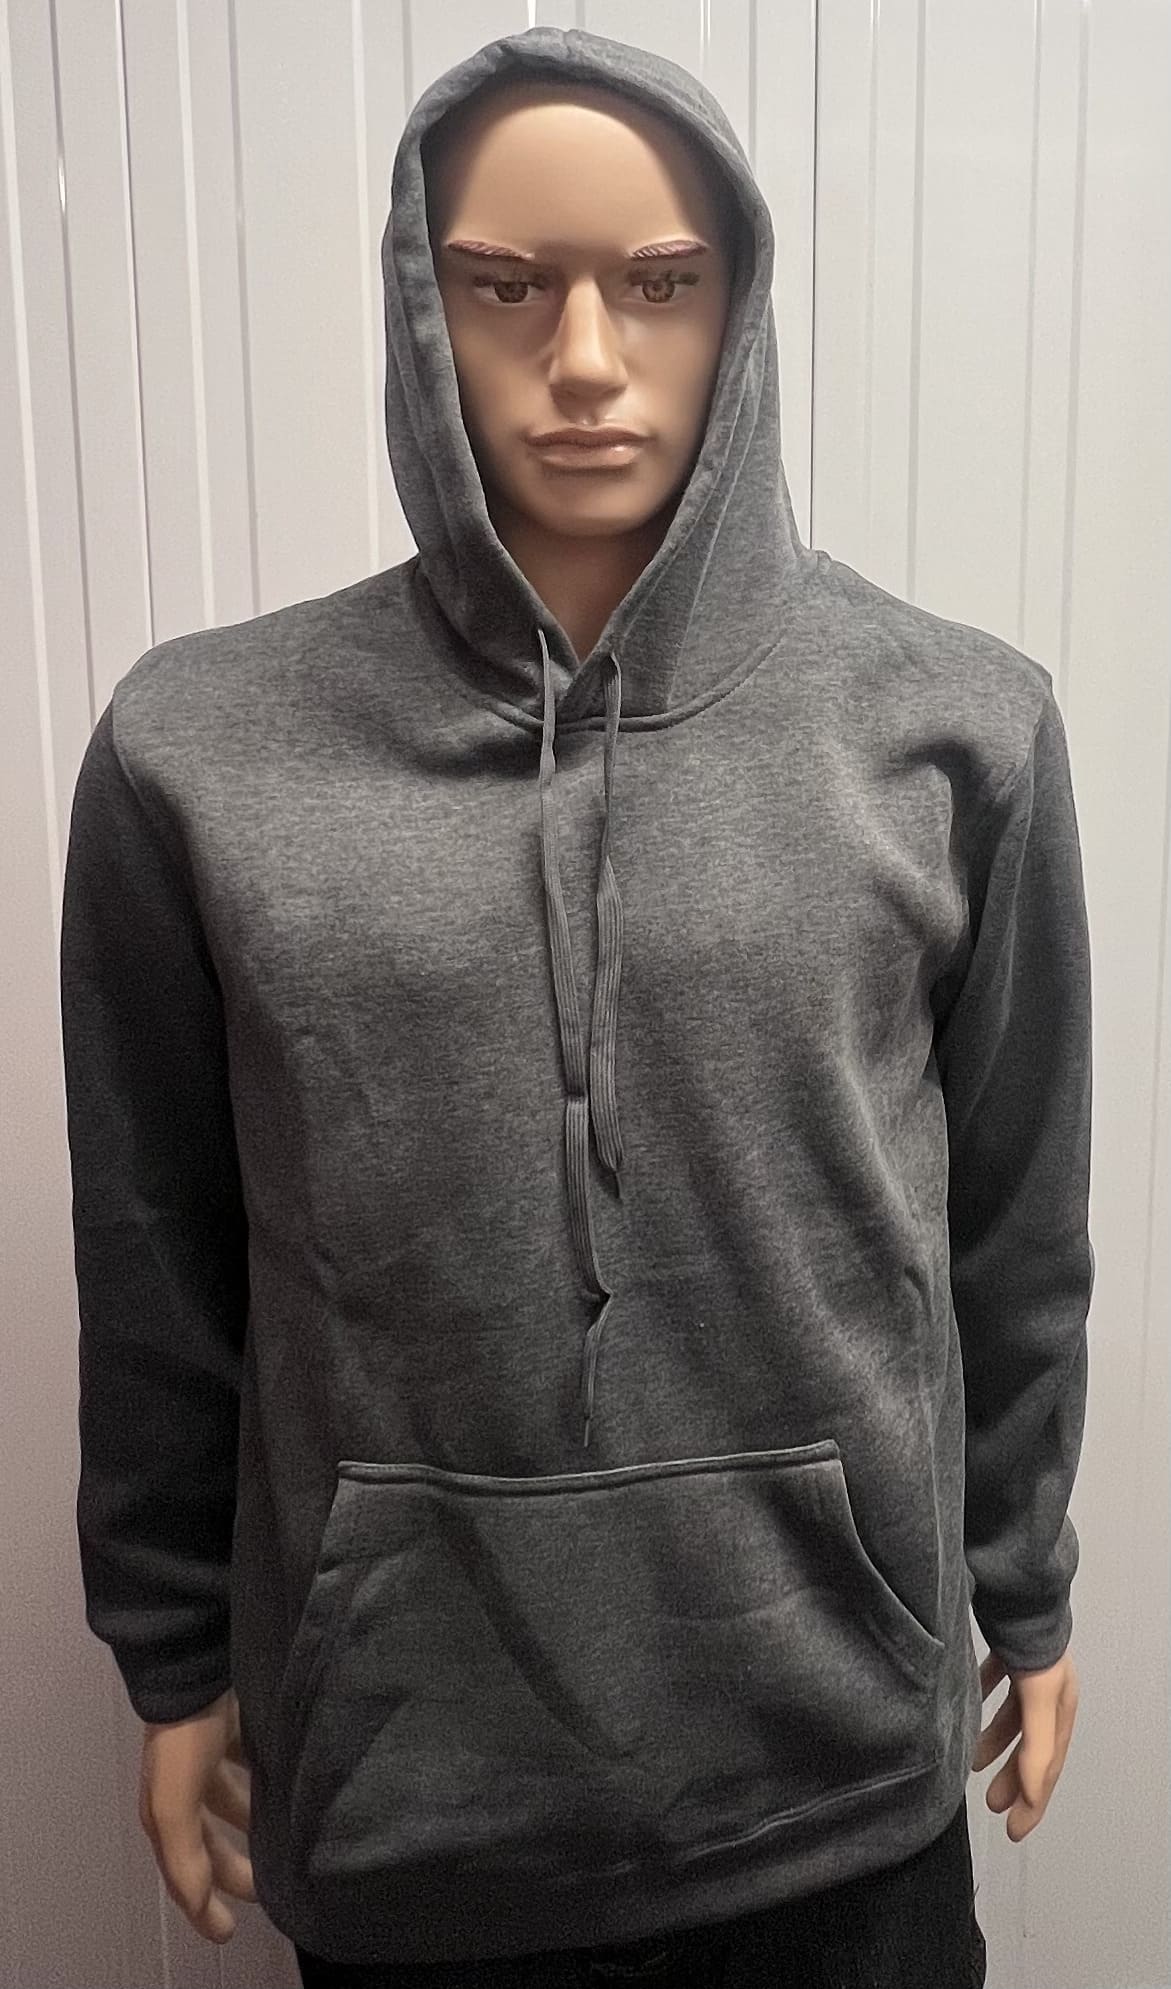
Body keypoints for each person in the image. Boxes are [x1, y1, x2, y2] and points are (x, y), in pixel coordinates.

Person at [58, 23, 1093, 1989]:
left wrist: (1023, 1588)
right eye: (508, 284)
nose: (590, 355)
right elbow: (159, 1254)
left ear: (740, 305)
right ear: (418, 304)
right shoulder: (198, 755)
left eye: (660, 281)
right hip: (409, 1794)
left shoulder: (955, 731)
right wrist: (174, 1653)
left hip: (837, 1790)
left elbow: (1017, 1229)